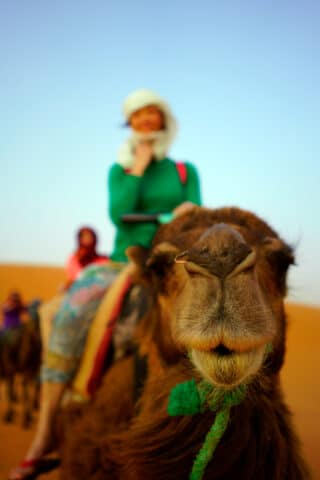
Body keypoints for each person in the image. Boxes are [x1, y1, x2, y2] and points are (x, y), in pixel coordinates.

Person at [9, 88, 201, 479]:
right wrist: (137, 169)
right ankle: (44, 433)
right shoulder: (120, 169)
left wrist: (183, 213)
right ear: (129, 123)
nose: (146, 120)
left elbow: (194, 212)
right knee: (71, 312)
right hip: (122, 261)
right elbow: (118, 213)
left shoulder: (184, 170)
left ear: (164, 121)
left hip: (173, 261)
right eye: (138, 115)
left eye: (153, 114)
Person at [63, 226, 109, 290]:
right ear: (79, 239)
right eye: (84, 237)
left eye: (90, 237)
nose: (88, 239)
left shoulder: (103, 259)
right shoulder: (74, 258)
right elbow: (77, 276)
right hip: (78, 290)